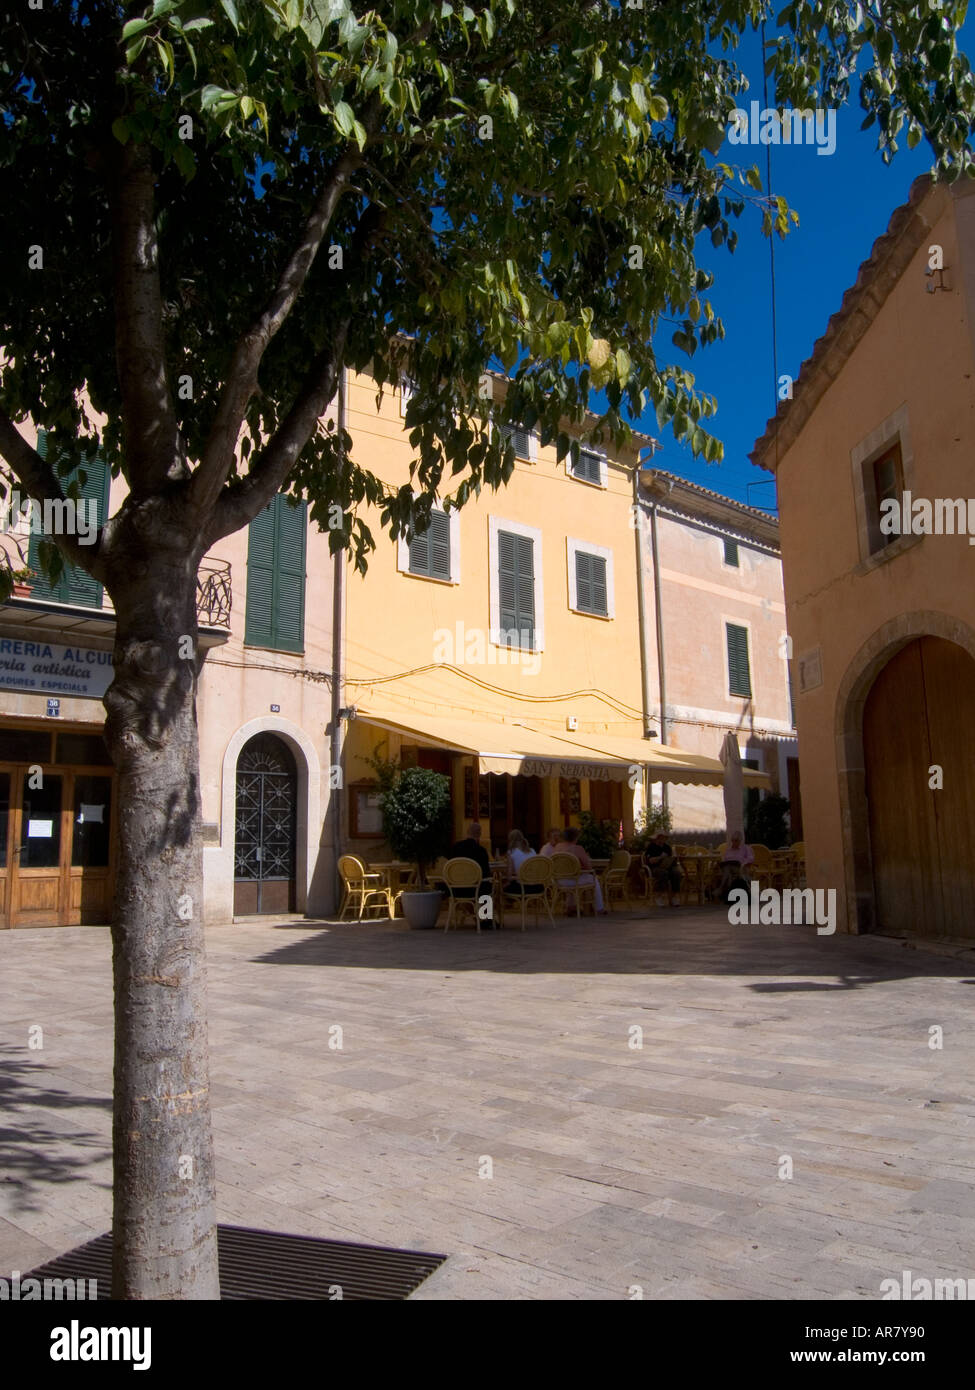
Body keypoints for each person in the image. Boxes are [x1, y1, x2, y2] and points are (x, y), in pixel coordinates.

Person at [447, 820, 495, 926]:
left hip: (456, 889)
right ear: (480, 834)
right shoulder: (481, 851)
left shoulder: (455, 848)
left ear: (467, 832)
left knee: (483, 884)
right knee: (488, 884)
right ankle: (486, 919)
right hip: (476, 890)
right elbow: (486, 873)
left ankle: (477, 917)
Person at [552, 826, 606, 914]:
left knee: (573, 875)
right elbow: (589, 868)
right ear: (576, 837)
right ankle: (599, 908)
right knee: (594, 879)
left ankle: (571, 906)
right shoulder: (578, 849)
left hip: (559, 880)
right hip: (574, 880)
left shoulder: (557, 847)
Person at [644, 831, 683, 907]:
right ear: (656, 838)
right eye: (660, 838)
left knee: (676, 873)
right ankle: (659, 896)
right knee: (663, 873)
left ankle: (674, 896)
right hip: (655, 867)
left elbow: (671, 858)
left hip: (668, 867)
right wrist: (660, 857)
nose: (662, 840)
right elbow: (650, 860)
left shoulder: (667, 847)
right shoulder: (651, 847)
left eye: (664, 838)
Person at [503, 829, 544, 898]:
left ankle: (517, 905)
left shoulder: (511, 852)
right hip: (538, 886)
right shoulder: (532, 850)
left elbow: (509, 877)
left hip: (523, 888)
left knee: (504, 886)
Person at [715, 831, 754, 903]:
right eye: (732, 840)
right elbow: (725, 860)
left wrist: (743, 863)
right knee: (727, 870)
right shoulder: (729, 850)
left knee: (727, 872)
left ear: (740, 840)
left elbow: (751, 858)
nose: (734, 842)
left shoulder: (746, 848)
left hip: (740, 869)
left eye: (736, 840)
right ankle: (727, 893)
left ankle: (721, 888)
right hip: (729, 869)